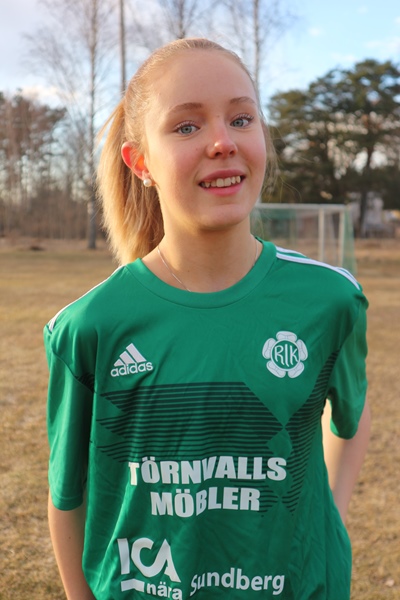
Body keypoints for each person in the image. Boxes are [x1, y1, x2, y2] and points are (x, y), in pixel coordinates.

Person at [44, 38, 371, 600]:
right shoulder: (88, 328)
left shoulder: (331, 300)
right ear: (141, 162)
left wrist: (329, 516)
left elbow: (349, 415)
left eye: (241, 119)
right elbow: (67, 495)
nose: (223, 142)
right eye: (187, 127)